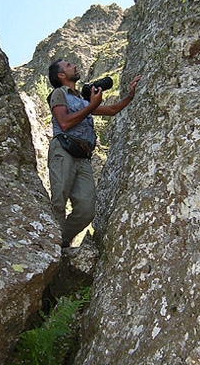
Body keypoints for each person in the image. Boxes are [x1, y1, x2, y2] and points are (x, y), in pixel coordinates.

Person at [47, 58, 141, 248]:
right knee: (59, 199)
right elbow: (64, 123)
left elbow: (112, 110)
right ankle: (52, 246)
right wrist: (91, 106)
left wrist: (130, 95)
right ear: (61, 75)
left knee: (87, 210)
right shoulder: (59, 94)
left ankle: (61, 240)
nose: (74, 66)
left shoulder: (81, 101)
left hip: (83, 156)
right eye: (68, 66)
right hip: (64, 149)